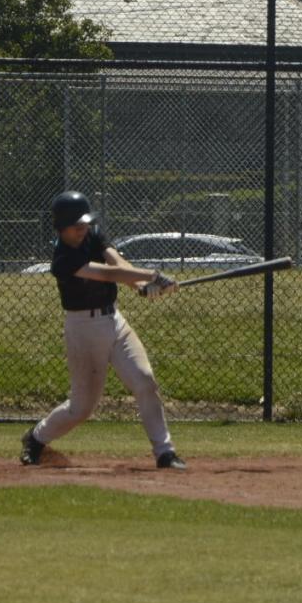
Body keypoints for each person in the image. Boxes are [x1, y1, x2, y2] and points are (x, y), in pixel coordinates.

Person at [21, 190, 186, 471]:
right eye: (77, 226)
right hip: (83, 330)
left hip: (114, 322)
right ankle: (36, 439)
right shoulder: (63, 260)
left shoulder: (92, 237)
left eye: (85, 224)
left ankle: (165, 452)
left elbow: (118, 265)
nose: (83, 230)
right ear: (61, 228)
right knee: (82, 408)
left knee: (145, 380)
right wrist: (152, 276)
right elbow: (107, 275)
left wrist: (141, 287)